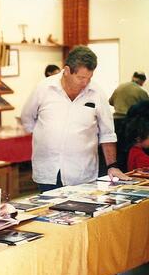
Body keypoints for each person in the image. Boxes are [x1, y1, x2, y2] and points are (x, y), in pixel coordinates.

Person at [21, 45, 130, 192]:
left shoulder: (97, 93)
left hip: (82, 174)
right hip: (48, 171)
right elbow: (27, 119)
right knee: (48, 213)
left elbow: (107, 133)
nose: (85, 83)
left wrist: (112, 166)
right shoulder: (43, 89)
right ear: (66, 71)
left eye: (89, 78)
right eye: (81, 77)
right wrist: (47, 137)